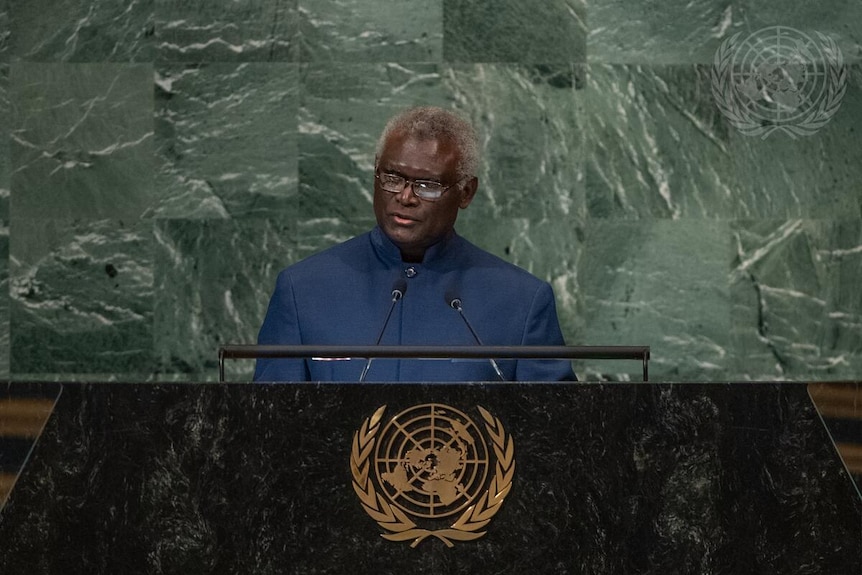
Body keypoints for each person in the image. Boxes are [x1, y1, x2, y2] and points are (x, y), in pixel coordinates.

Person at [254, 106, 575, 382]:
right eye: (392, 178)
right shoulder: (304, 290)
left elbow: (557, 437)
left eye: (427, 185)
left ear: (466, 192)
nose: (405, 197)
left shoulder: (520, 301)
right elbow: (268, 427)